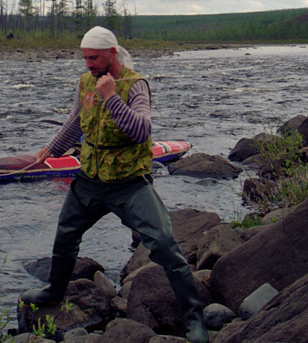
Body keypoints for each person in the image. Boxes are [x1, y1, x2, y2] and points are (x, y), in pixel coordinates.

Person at [20, 26, 208, 343]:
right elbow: (76, 122)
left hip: (129, 183)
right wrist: (50, 149)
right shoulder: (85, 82)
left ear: (112, 53)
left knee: (163, 243)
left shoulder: (135, 86)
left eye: (94, 58)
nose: (89, 64)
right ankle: (54, 292)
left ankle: (195, 318)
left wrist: (111, 97)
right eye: (85, 58)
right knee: (65, 234)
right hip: (90, 180)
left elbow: (141, 131)